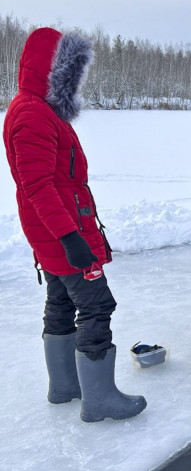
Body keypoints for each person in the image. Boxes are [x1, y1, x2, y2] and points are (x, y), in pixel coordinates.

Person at [3, 27, 146, 421]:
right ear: (50, 70)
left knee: (61, 303)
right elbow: (37, 186)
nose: (75, 80)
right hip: (60, 234)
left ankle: (65, 387)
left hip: (54, 234)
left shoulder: (38, 109)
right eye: (70, 71)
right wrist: (70, 238)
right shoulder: (32, 114)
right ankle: (99, 399)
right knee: (97, 306)